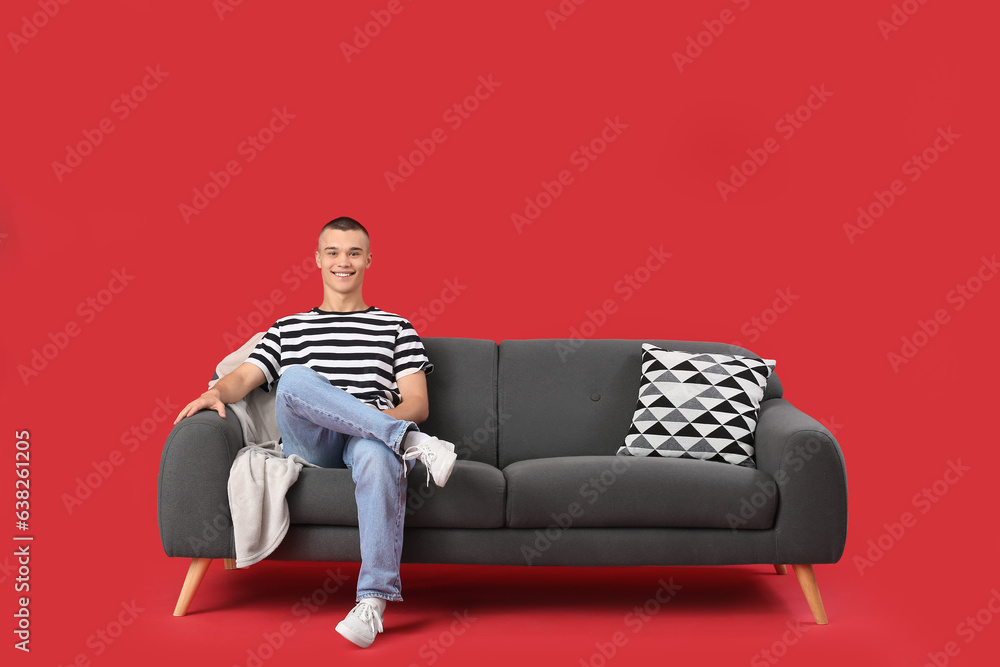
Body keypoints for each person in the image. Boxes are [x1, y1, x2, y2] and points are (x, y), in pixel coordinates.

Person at [173, 216, 457, 648]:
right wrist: (213, 392)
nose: (343, 261)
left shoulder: (397, 327)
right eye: (334, 252)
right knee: (294, 381)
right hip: (312, 442)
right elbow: (244, 380)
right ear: (318, 260)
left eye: (354, 253)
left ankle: (371, 605)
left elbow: (418, 402)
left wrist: (376, 423)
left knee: (379, 457)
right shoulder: (288, 328)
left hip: (368, 438)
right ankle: (410, 442)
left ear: (368, 261)